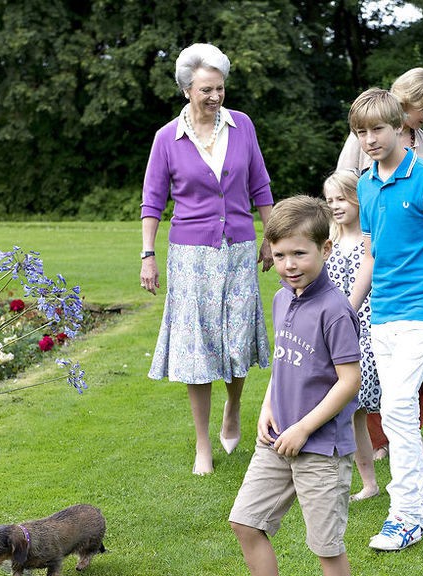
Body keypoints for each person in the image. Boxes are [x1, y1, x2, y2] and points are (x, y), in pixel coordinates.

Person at [224, 196, 361, 576]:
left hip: (321, 445)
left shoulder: (334, 309)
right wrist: (266, 407)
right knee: (245, 521)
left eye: (299, 253)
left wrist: (303, 428)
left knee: (325, 543)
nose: (288, 265)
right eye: (279, 255)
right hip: (276, 438)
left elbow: (349, 381)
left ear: (324, 249)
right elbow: (285, 364)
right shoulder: (282, 298)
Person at [140, 43, 274, 475]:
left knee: (237, 340)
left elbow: (260, 186)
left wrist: (270, 237)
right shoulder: (167, 138)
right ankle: (202, 444)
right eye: (205, 89)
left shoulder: (243, 126)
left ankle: (233, 407)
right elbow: (152, 202)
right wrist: (148, 255)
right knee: (197, 350)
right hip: (190, 254)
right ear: (186, 91)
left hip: (237, 248)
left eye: (219, 88)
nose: (214, 97)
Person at [348, 88, 423, 551]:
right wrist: (348, 307)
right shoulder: (364, 183)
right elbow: (371, 255)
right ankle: (408, 505)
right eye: (361, 132)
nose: (370, 139)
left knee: (397, 403)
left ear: (400, 126)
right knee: (396, 410)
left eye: (378, 129)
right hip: (384, 313)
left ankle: (408, 514)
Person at [337, 67, 423, 462]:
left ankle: (406, 435)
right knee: (373, 364)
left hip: (422, 287)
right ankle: (380, 438)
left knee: (407, 384)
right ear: (407, 105)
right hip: (375, 270)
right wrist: (345, 307)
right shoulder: (366, 163)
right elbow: (346, 189)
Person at [323, 170, 380, 501]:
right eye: (330, 201)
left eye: (341, 198)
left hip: (366, 329)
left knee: (353, 407)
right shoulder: (330, 241)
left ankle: (352, 480)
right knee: (349, 412)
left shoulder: (368, 241)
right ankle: (366, 483)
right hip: (334, 332)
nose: (335, 206)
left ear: (357, 198)